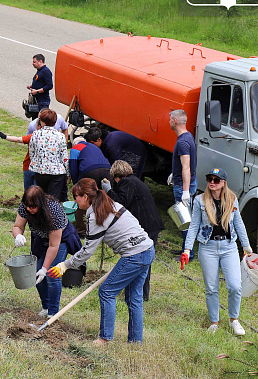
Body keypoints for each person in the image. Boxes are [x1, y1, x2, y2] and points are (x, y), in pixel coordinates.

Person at [48, 178, 155, 345]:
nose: (74, 201)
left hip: (134, 255)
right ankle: (135, 341)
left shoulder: (96, 214)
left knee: (107, 291)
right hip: (147, 249)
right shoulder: (108, 203)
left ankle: (104, 338)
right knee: (134, 297)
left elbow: (87, 251)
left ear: (85, 197)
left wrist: (65, 265)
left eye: (75, 196)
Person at [181, 168, 252, 336]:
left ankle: (234, 320)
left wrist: (247, 247)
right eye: (209, 179)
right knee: (211, 288)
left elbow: (239, 224)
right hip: (208, 247)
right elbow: (194, 226)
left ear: (223, 183)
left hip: (229, 247)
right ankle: (214, 322)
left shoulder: (232, 199)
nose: (212, 182)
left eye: (216, 180)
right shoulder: (199, 200)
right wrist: (187, 248)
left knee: (235, 286)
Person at [12, 186, 81, 317]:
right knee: (36, 273)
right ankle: (46, 307)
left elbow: (54, 245)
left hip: (60, 240)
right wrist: (18, 235)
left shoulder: (54, 211)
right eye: (27, 206)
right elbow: (17, 226)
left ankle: (53, 313)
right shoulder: (25, 206)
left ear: (40, 204)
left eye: (32, 207)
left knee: (51, 274)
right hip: (41, 238)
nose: (28, 209)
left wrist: (45, 268)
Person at [104, 161, 164, 301]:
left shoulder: (127, 182)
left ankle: (140, 293)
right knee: (144, 261)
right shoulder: (135, 180)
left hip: (146, 225)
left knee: (141, 260)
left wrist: (109, 191)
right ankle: (141, 293)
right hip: (151, 223)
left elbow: (121, 202)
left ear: (116, 176)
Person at [171, 109, 197, 260]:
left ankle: (189, 253)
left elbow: (186, 167)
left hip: (183, 186)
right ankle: (185, 249)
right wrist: (174, 173)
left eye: (170, 120)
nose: (168, 122)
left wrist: (185, 191)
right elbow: (185, 165)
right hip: (184, 181)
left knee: (184, 221)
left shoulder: (182, 142)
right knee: (185, 219)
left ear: (175, 121)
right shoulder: (188, 137)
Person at [29, 109, 69, 201]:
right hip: (57, 173)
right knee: (53, 200)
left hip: (40, 171)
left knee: (42, 198)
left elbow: (32, 153)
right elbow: (64, 157)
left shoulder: (35, 134)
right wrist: (67, 174)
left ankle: (43, 215)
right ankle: (52, 214)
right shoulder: (60, 136)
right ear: (55, 122)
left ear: (41, 121)